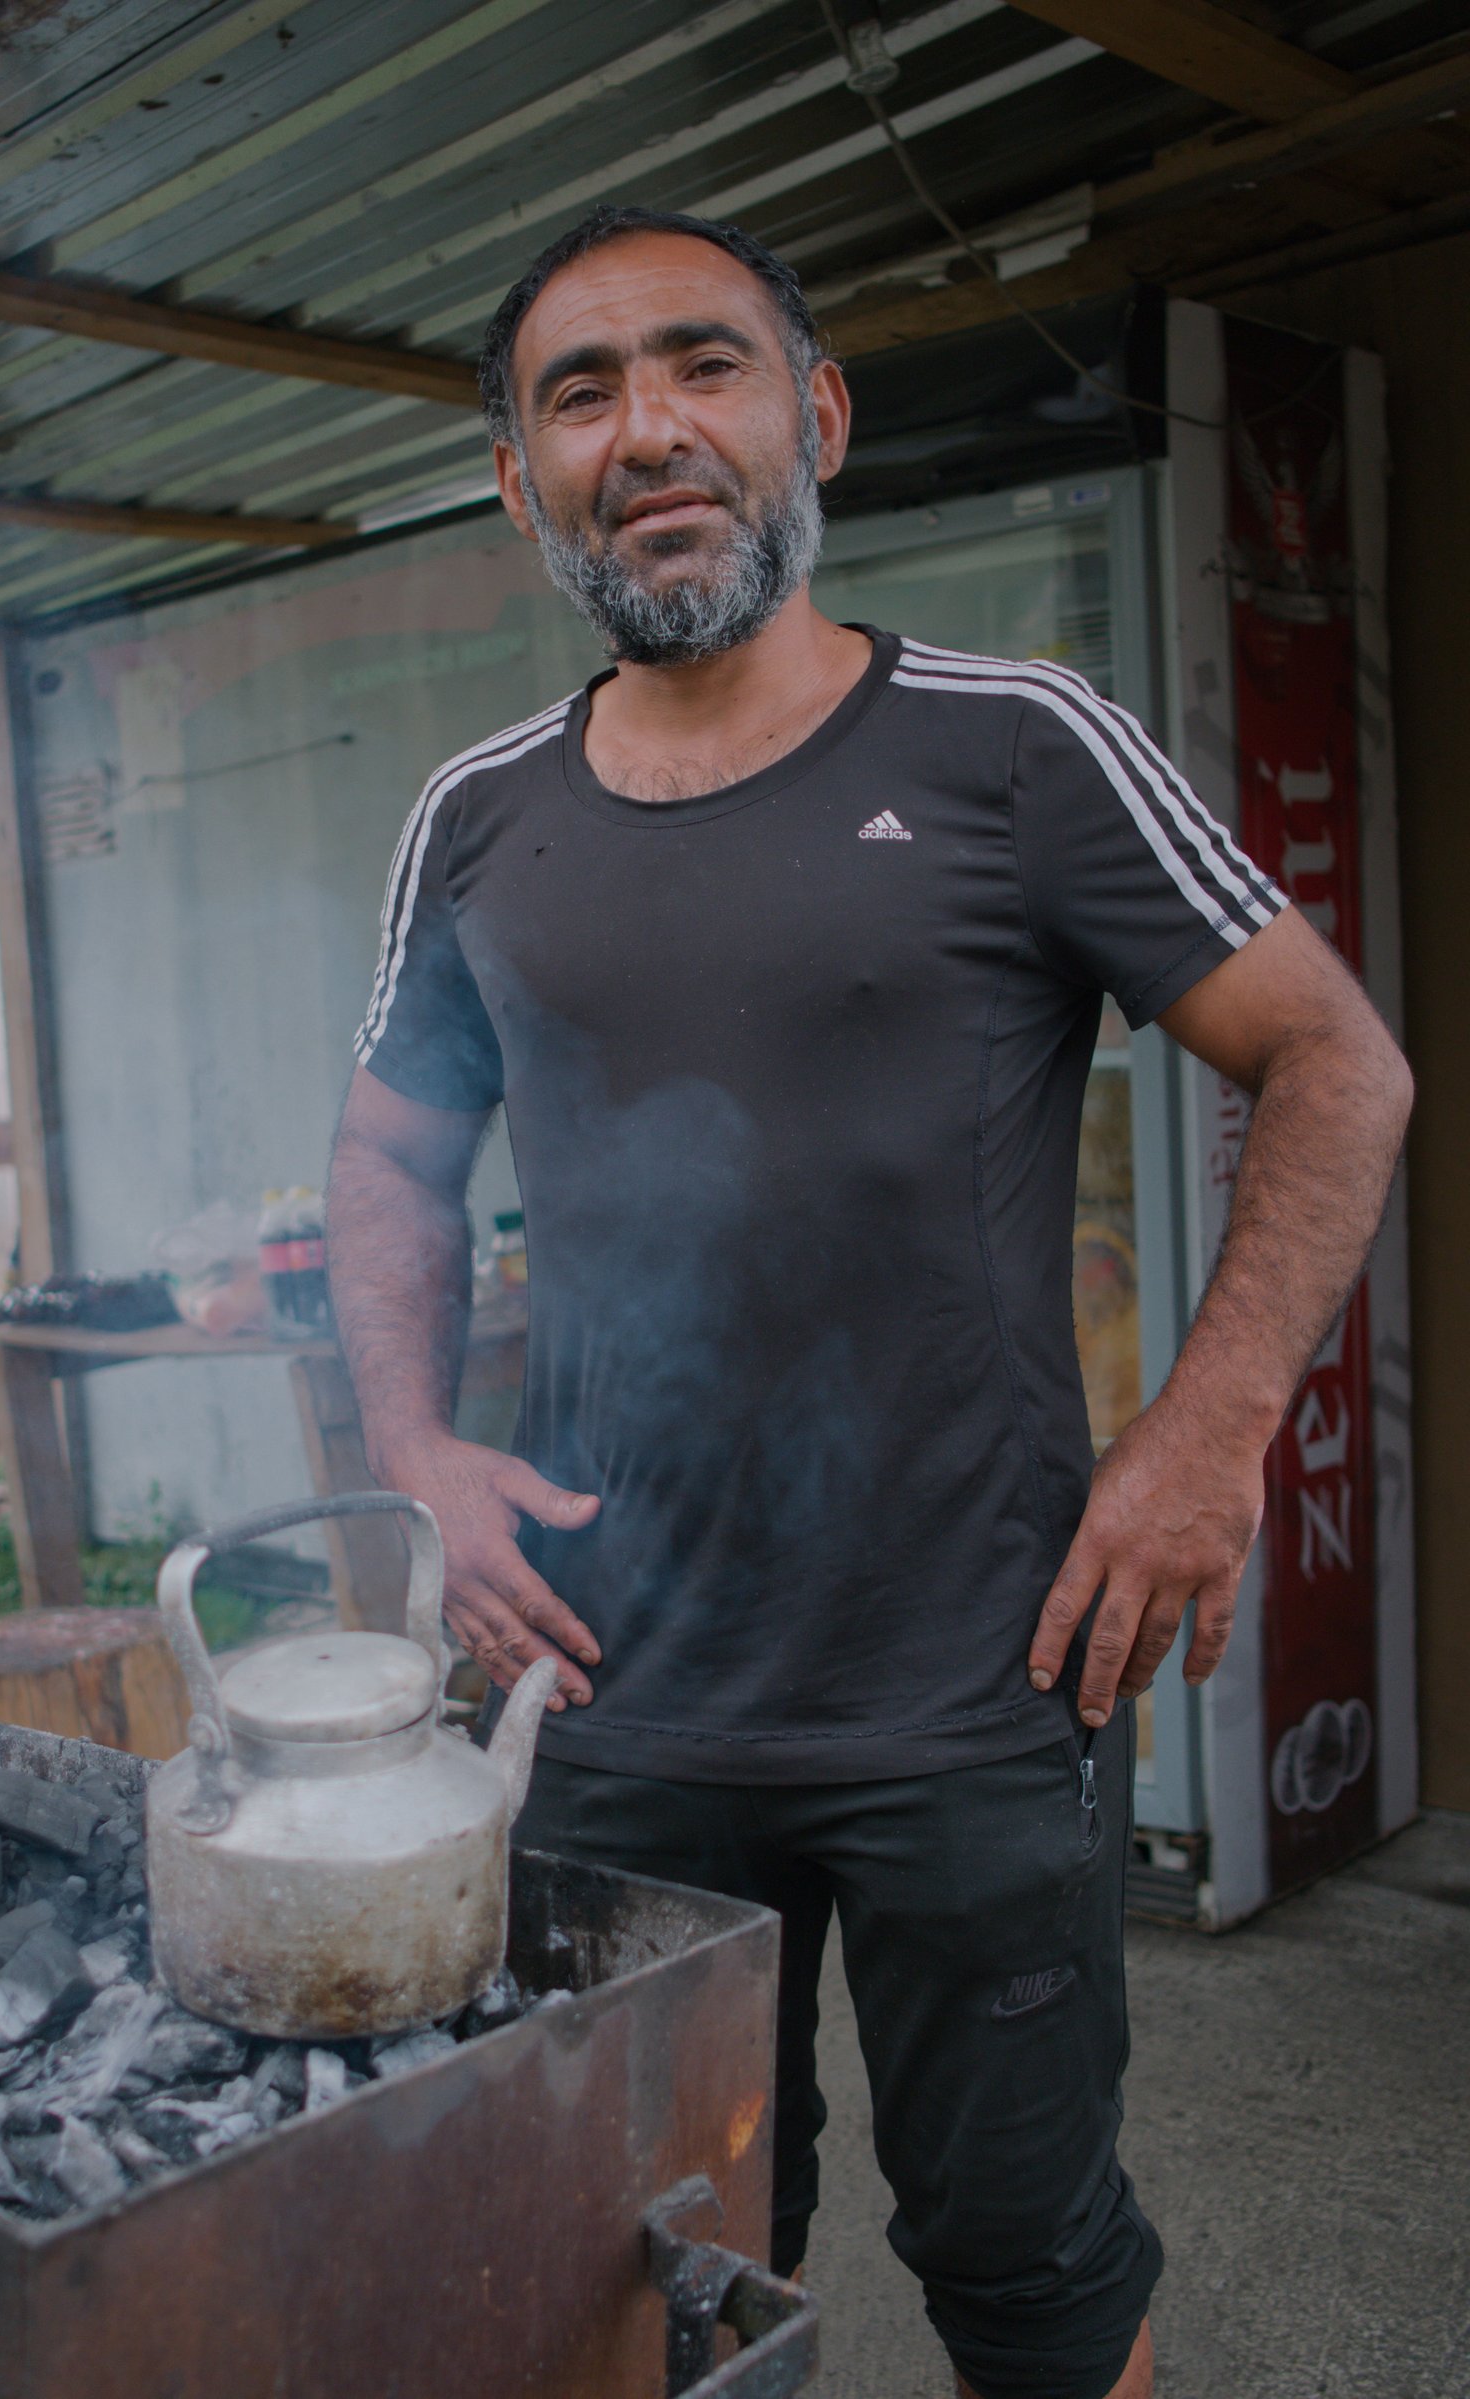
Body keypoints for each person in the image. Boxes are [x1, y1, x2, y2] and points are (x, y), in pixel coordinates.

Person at [326, 204, 1412, 2399]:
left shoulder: (1018, 747)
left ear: (809, 416)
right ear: (518, 479)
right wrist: (417, 1458)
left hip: (969, 1683)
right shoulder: (474, 817)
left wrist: (1206, 1440)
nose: (649, 429)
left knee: (1023, 2270)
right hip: (605, 1706)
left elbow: (1336, 1062)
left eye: (701, 366)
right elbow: (387, 1159)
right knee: (639, 2268)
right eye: (580, 392)